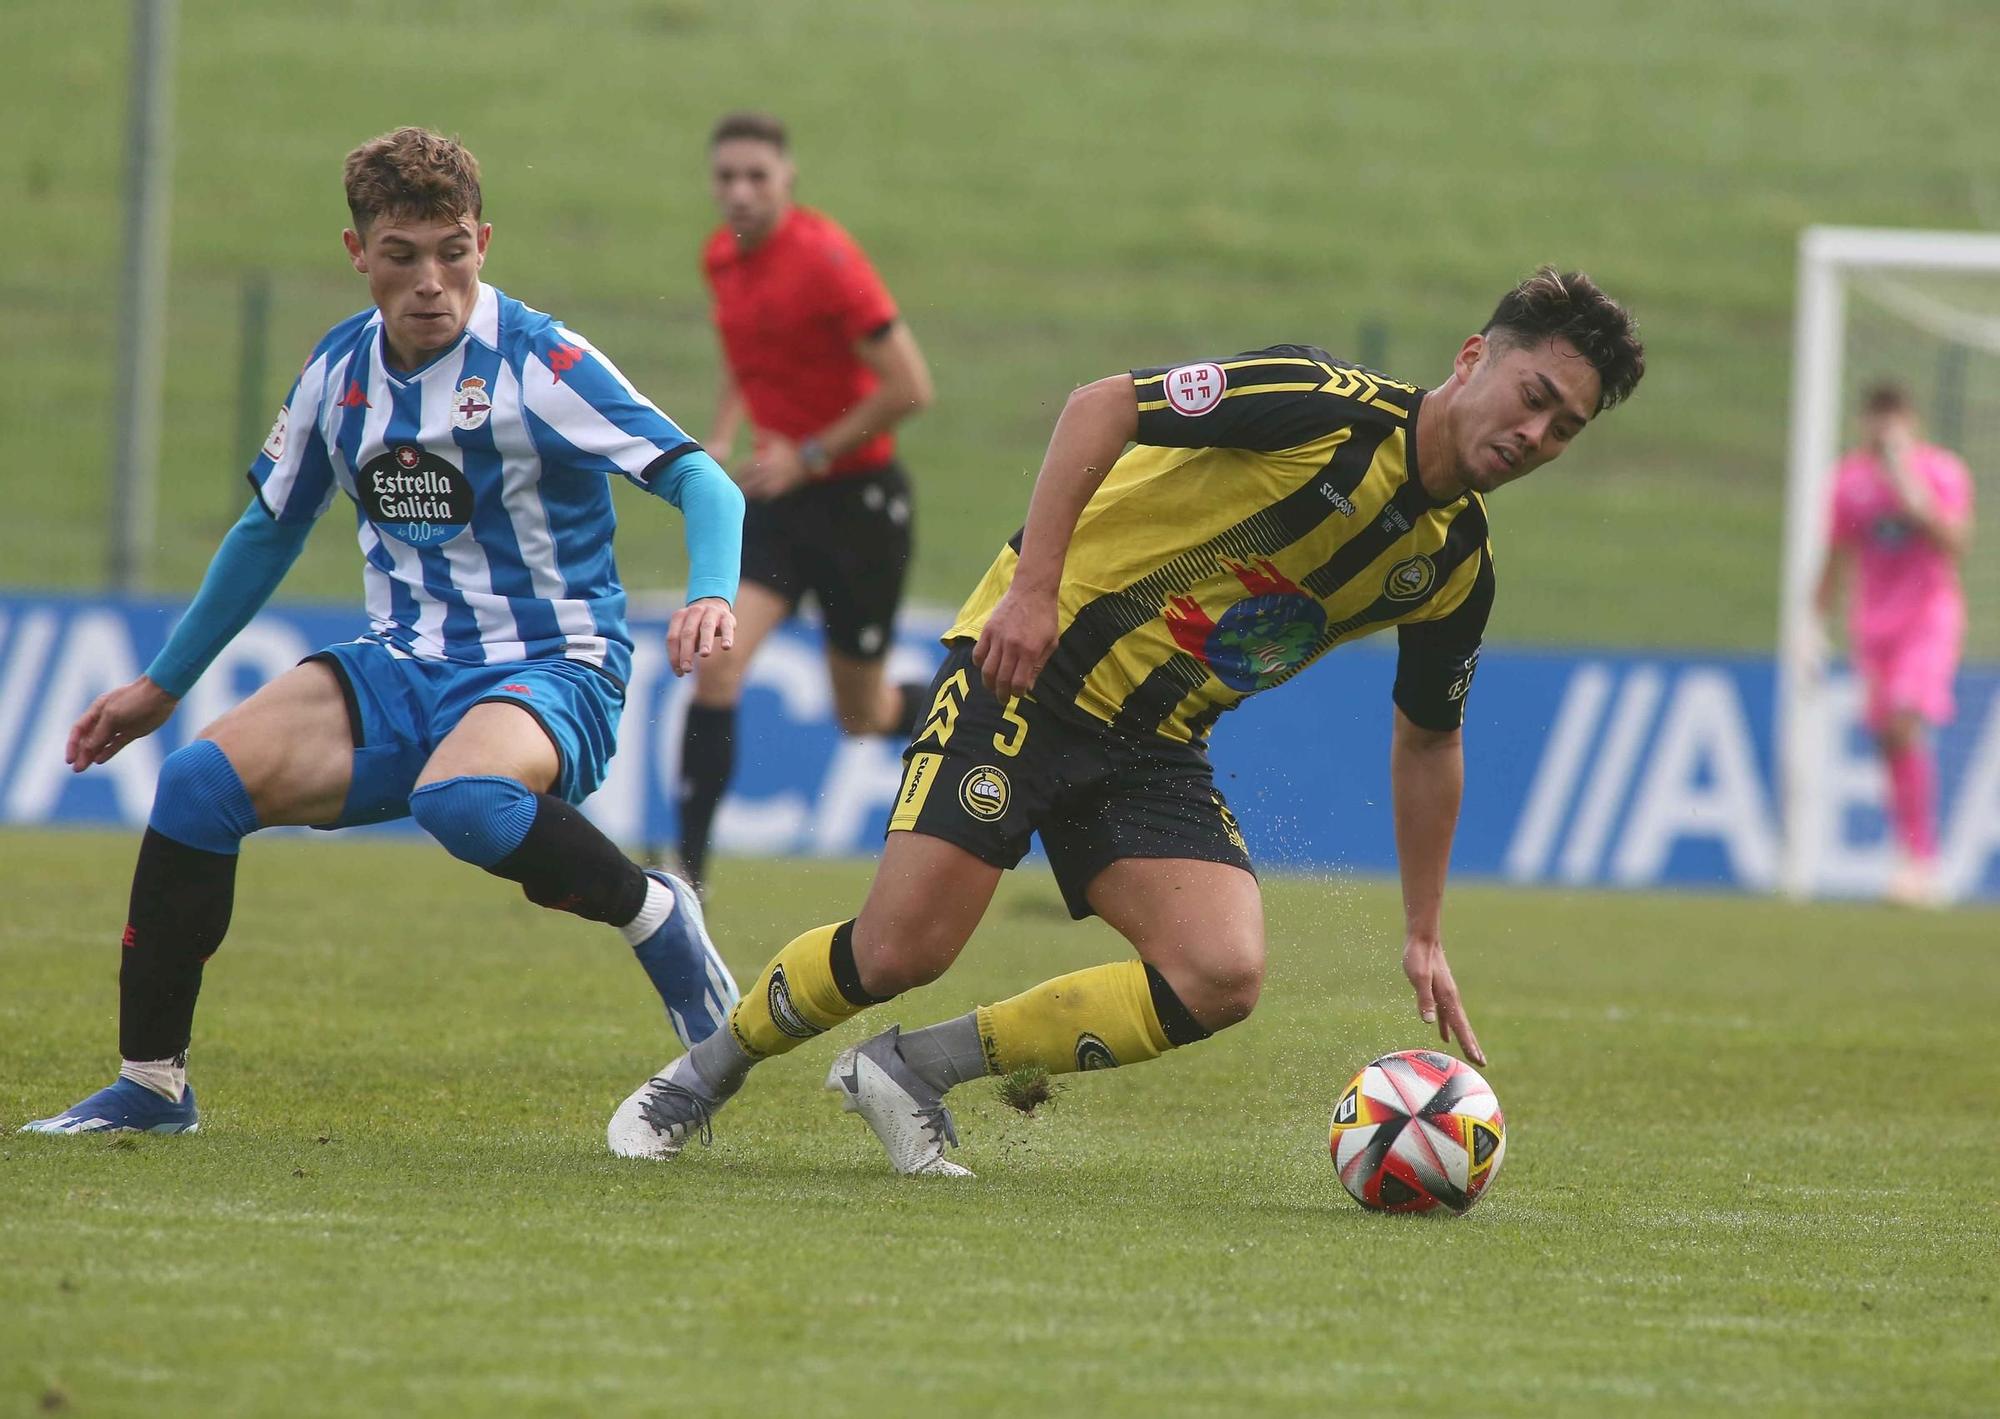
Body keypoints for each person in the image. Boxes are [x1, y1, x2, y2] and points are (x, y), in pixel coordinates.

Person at [607, 267, 1646, 1175]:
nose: (1534, 435)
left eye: (1564, 428)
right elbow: (1100, 405)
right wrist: (1031, 592)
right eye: (1533, 396)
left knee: (1221, 972)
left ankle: (906, 1070)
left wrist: (1422, 931)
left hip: (1152, 744)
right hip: (1032, 672)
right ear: (1473, 359)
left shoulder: (1454, 569)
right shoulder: (1320, 405)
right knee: (896, 952)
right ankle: (701, 1074)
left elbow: (1428, 738)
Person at [24, 128, 746, 1137]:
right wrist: (163, 683)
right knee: (193, 789)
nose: (430, 281)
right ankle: (152, 1089)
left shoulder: (539, 361)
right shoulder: (338, 370)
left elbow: (698, 476)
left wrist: (712, 588)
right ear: (359, 252)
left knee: (462, 798)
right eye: (402, 255)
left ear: (483, 242)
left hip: (553, 665)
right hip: (400, 667)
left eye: (452, 251)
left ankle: (652, 912)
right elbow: (268, 529)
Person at [670, 111, 936, 896]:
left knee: (861, 712)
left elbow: (911, 388)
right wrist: (720, 437)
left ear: (788, 179)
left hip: (859, 505)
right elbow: (743, 349)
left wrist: (811, 452)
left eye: (758, 176)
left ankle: (964, 722)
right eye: (727, 177)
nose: (741, 192)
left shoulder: (828, 262)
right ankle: (687, 878)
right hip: (781, 506)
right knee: (715, 665)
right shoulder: (721, 257)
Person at [1815, 382, 1974, 906]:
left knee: (1905, 721)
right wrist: (1814, 626)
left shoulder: (1941, 472)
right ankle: (1913, 855)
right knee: (1889, 738)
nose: (1882, 430)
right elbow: (1835, 556)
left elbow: (1957, 545)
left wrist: (1913, 492)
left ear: (1912, 421)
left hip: (1928, 619)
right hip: (1874, 628)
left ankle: (1920, 861)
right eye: (1874, 419)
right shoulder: (1849, 481)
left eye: (1892, 418)